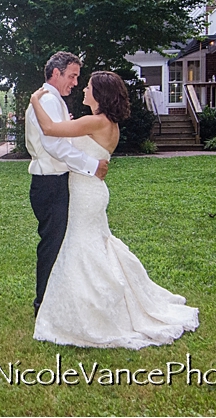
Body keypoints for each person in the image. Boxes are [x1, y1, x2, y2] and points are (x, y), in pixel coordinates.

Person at [29, 69, 199, 349]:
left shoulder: (95, 122)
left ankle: (94, 305)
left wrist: (35, 100)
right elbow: (74, 143)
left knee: (82, 246)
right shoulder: (105, 124)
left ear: (99, 95)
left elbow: (48, 130)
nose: (83, 89)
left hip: (86, 193)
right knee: (92, 244)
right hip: (91, 191)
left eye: (89, 87)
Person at [26, 51, 108, 321]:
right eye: (72, 76)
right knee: (52, 244)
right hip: (50, 183)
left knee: (57, 242)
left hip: (52, 182)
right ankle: (44, 306)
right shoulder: (48, 100)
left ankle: (51, 301)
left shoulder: (52, 100)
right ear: (56, 73)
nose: (75, 82)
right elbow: (54, 144)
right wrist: (91, 165)